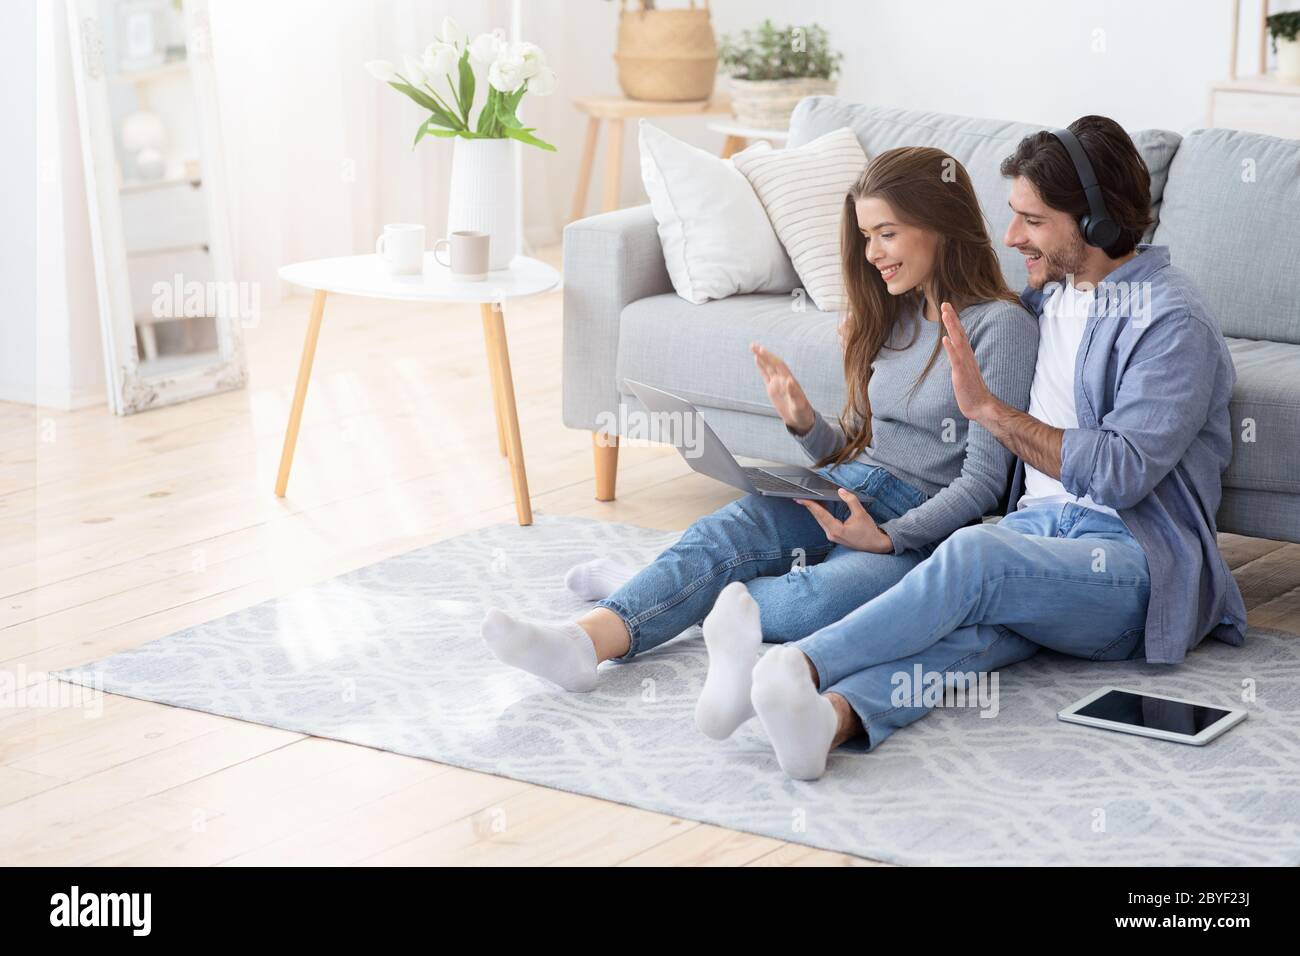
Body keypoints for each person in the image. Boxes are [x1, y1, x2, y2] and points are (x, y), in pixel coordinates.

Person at [701, 115, 1247, 780]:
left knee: (977, 557)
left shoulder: (1170, 321)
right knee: (967, 635)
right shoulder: (1045, 301)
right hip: (1039, 537)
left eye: (1034, 220)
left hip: (1132, 561)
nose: (1013, 235)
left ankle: (797, 665)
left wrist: (988, 410)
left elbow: (1120, 473)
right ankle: (830, 719)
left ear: (1098, 222)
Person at [481, 146, 1040, 743]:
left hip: (921, 531)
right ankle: (581, 643)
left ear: (941, 225)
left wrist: (887, 537)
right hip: (850, 488)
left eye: (887, 233)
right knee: (723, 534)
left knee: (813, 605)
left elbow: (983, 485)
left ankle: (659, 585)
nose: (873, 253)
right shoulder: (898, 315)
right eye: (866, 236)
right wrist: (805, 425)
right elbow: (863, 450)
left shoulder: (999, 326)